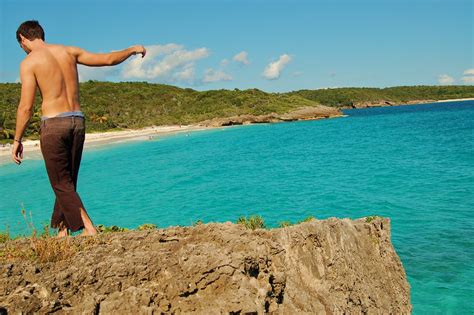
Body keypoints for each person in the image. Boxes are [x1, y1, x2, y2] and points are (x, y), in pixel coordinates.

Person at [12, 20, 146, 237]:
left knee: (60, 182)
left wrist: (17, 140)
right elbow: (108, 59)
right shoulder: (69, 51)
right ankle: (62, 231)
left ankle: (89, 228)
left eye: (21, 45)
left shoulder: (29, 62)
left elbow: (25, 107)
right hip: (77, 122)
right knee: (67, 180)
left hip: (54, 125)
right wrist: (131, 49)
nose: (23, 49)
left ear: (23, 39)